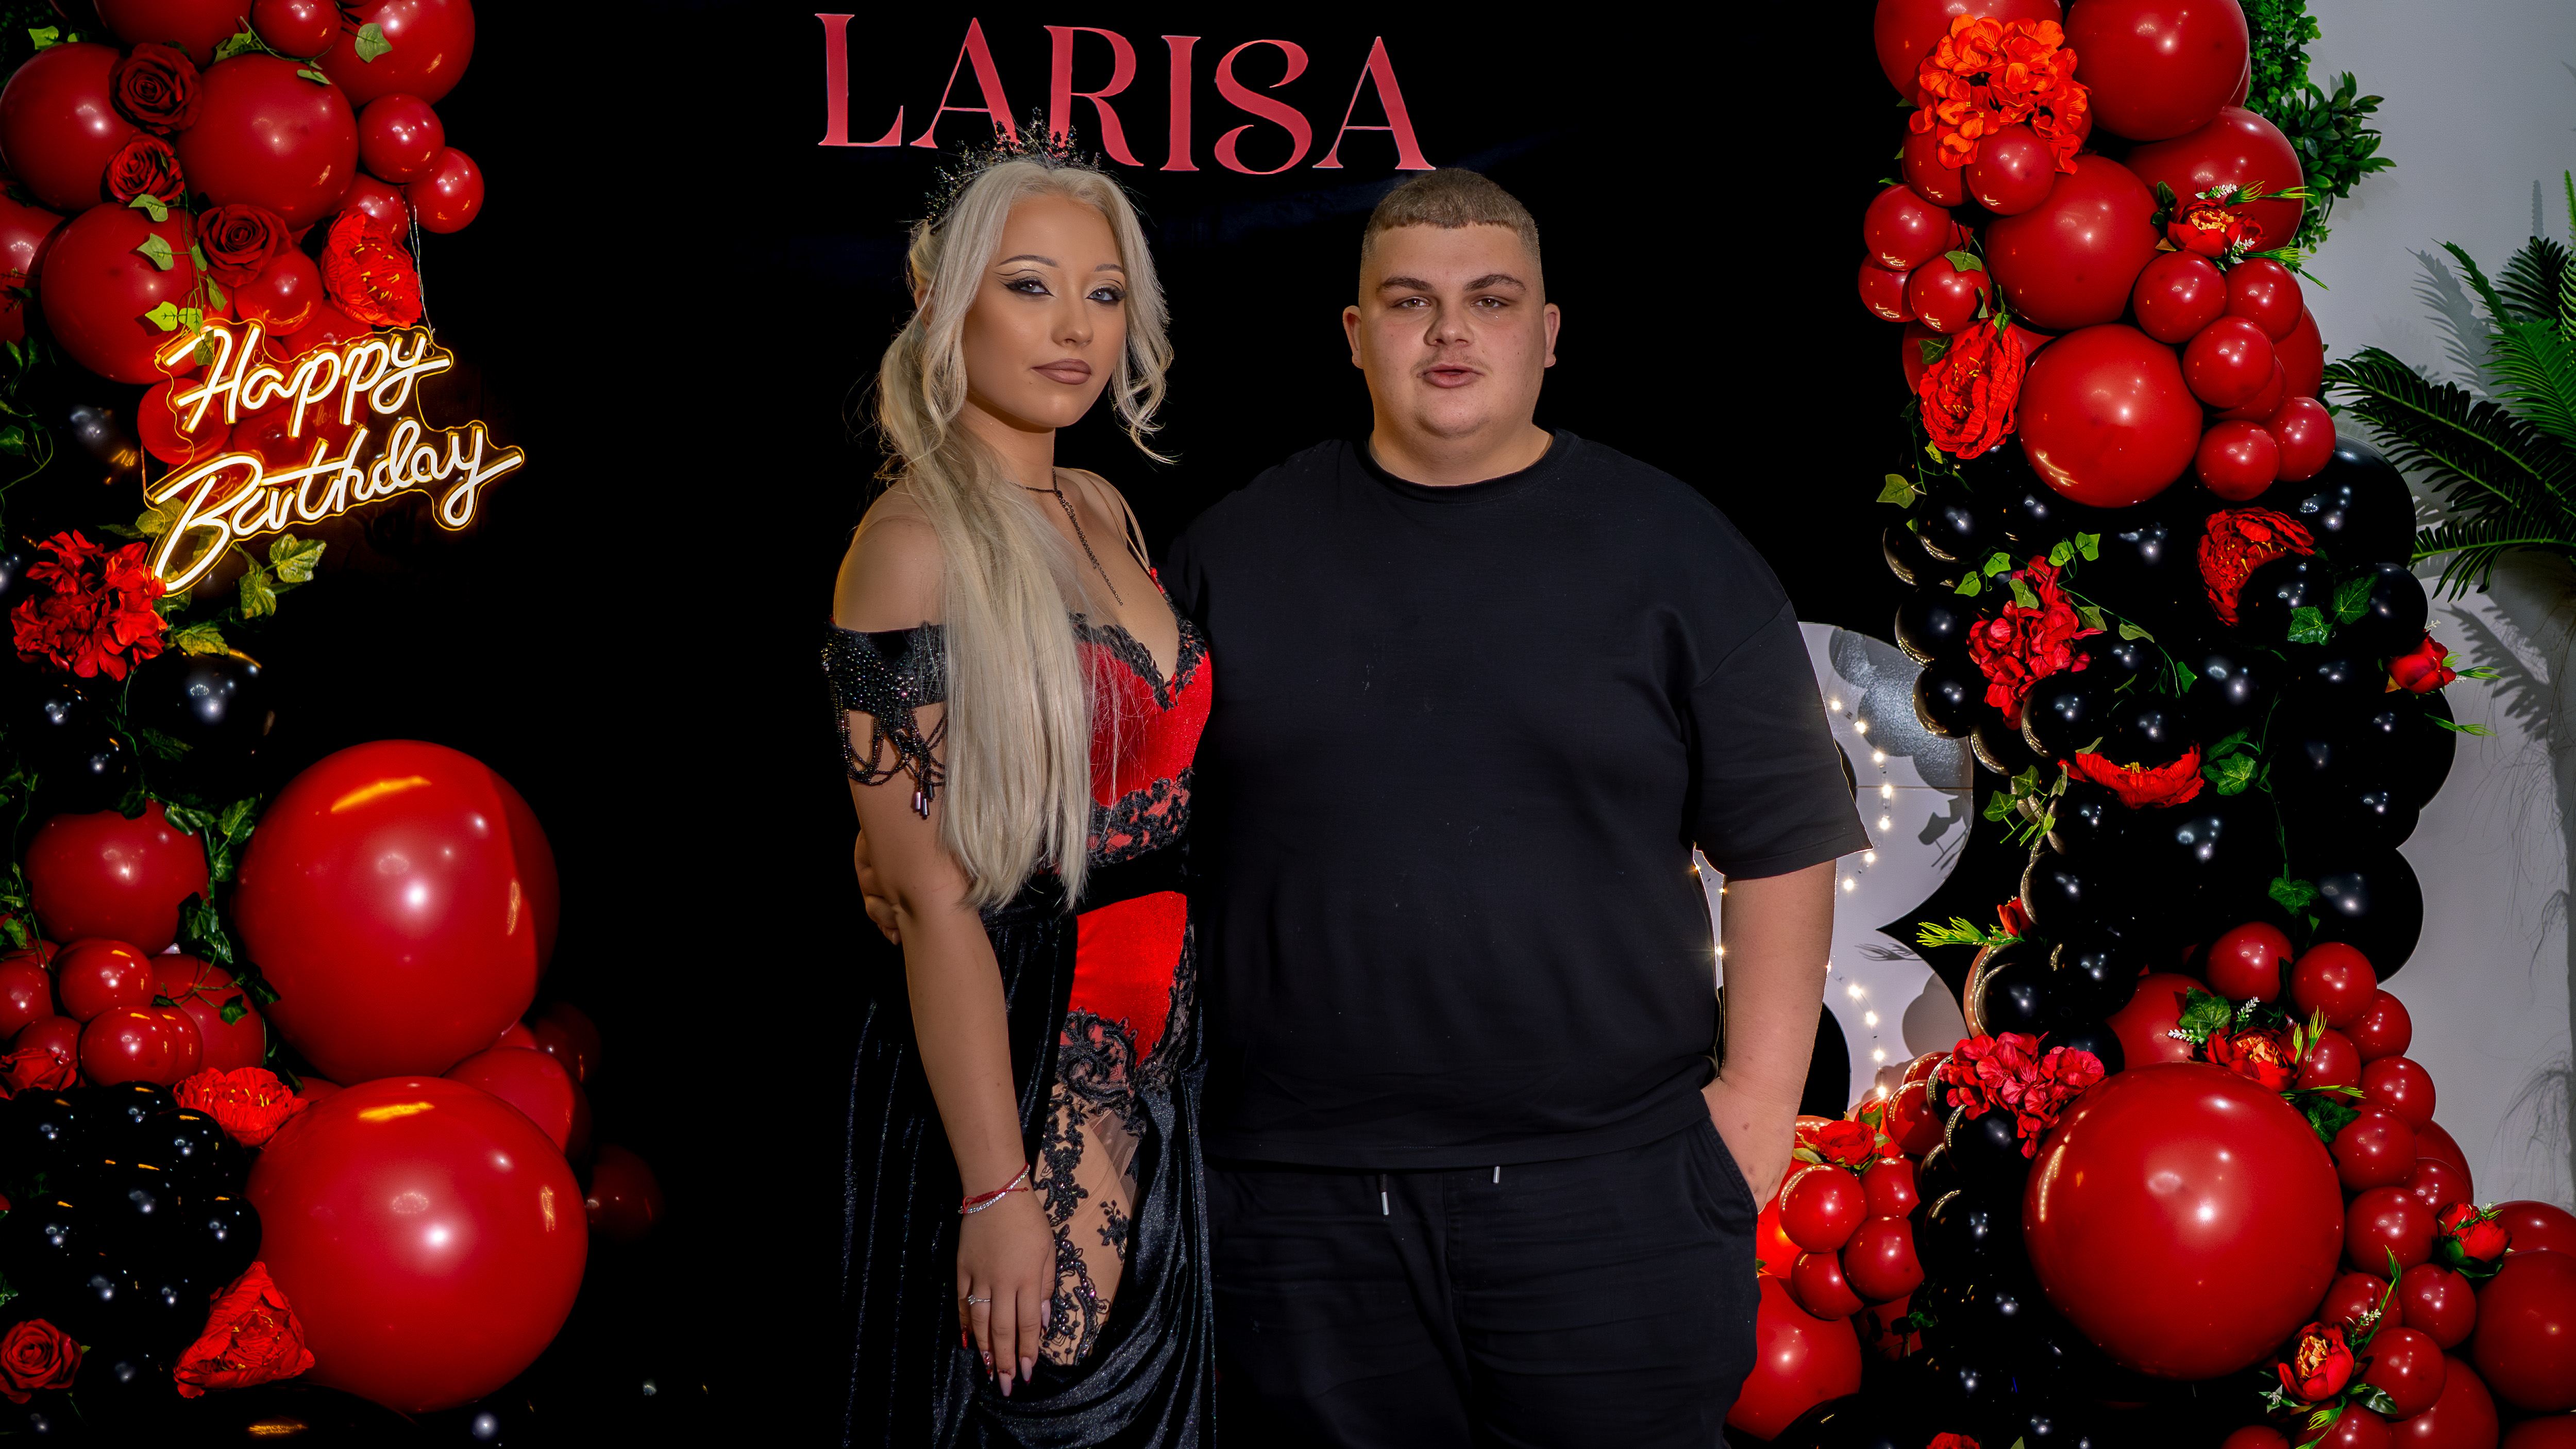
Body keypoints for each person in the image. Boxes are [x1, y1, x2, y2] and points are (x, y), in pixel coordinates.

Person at [1160, 169, 1865, 1446]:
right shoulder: (1231, 551)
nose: (1449, 331)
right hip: (1296, 1203)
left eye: (1490, 300)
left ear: (1547, 333)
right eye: (1409, 301)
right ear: (1355, 333)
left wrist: (1758, 1105)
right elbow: (1128, 820)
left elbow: (1784, 839)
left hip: (1613, 1190)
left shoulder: (1676, 550)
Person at [826, 136, 1213, 1447]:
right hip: (1027, 1043)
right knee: (1033, 1407)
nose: (1076, 329)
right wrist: (995, 1186)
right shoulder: (907, 546)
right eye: (1031, 286)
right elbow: (932, 897)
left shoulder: (1103, 504)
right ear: (944, 299)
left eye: (1104, 294)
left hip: (1167, 1034)